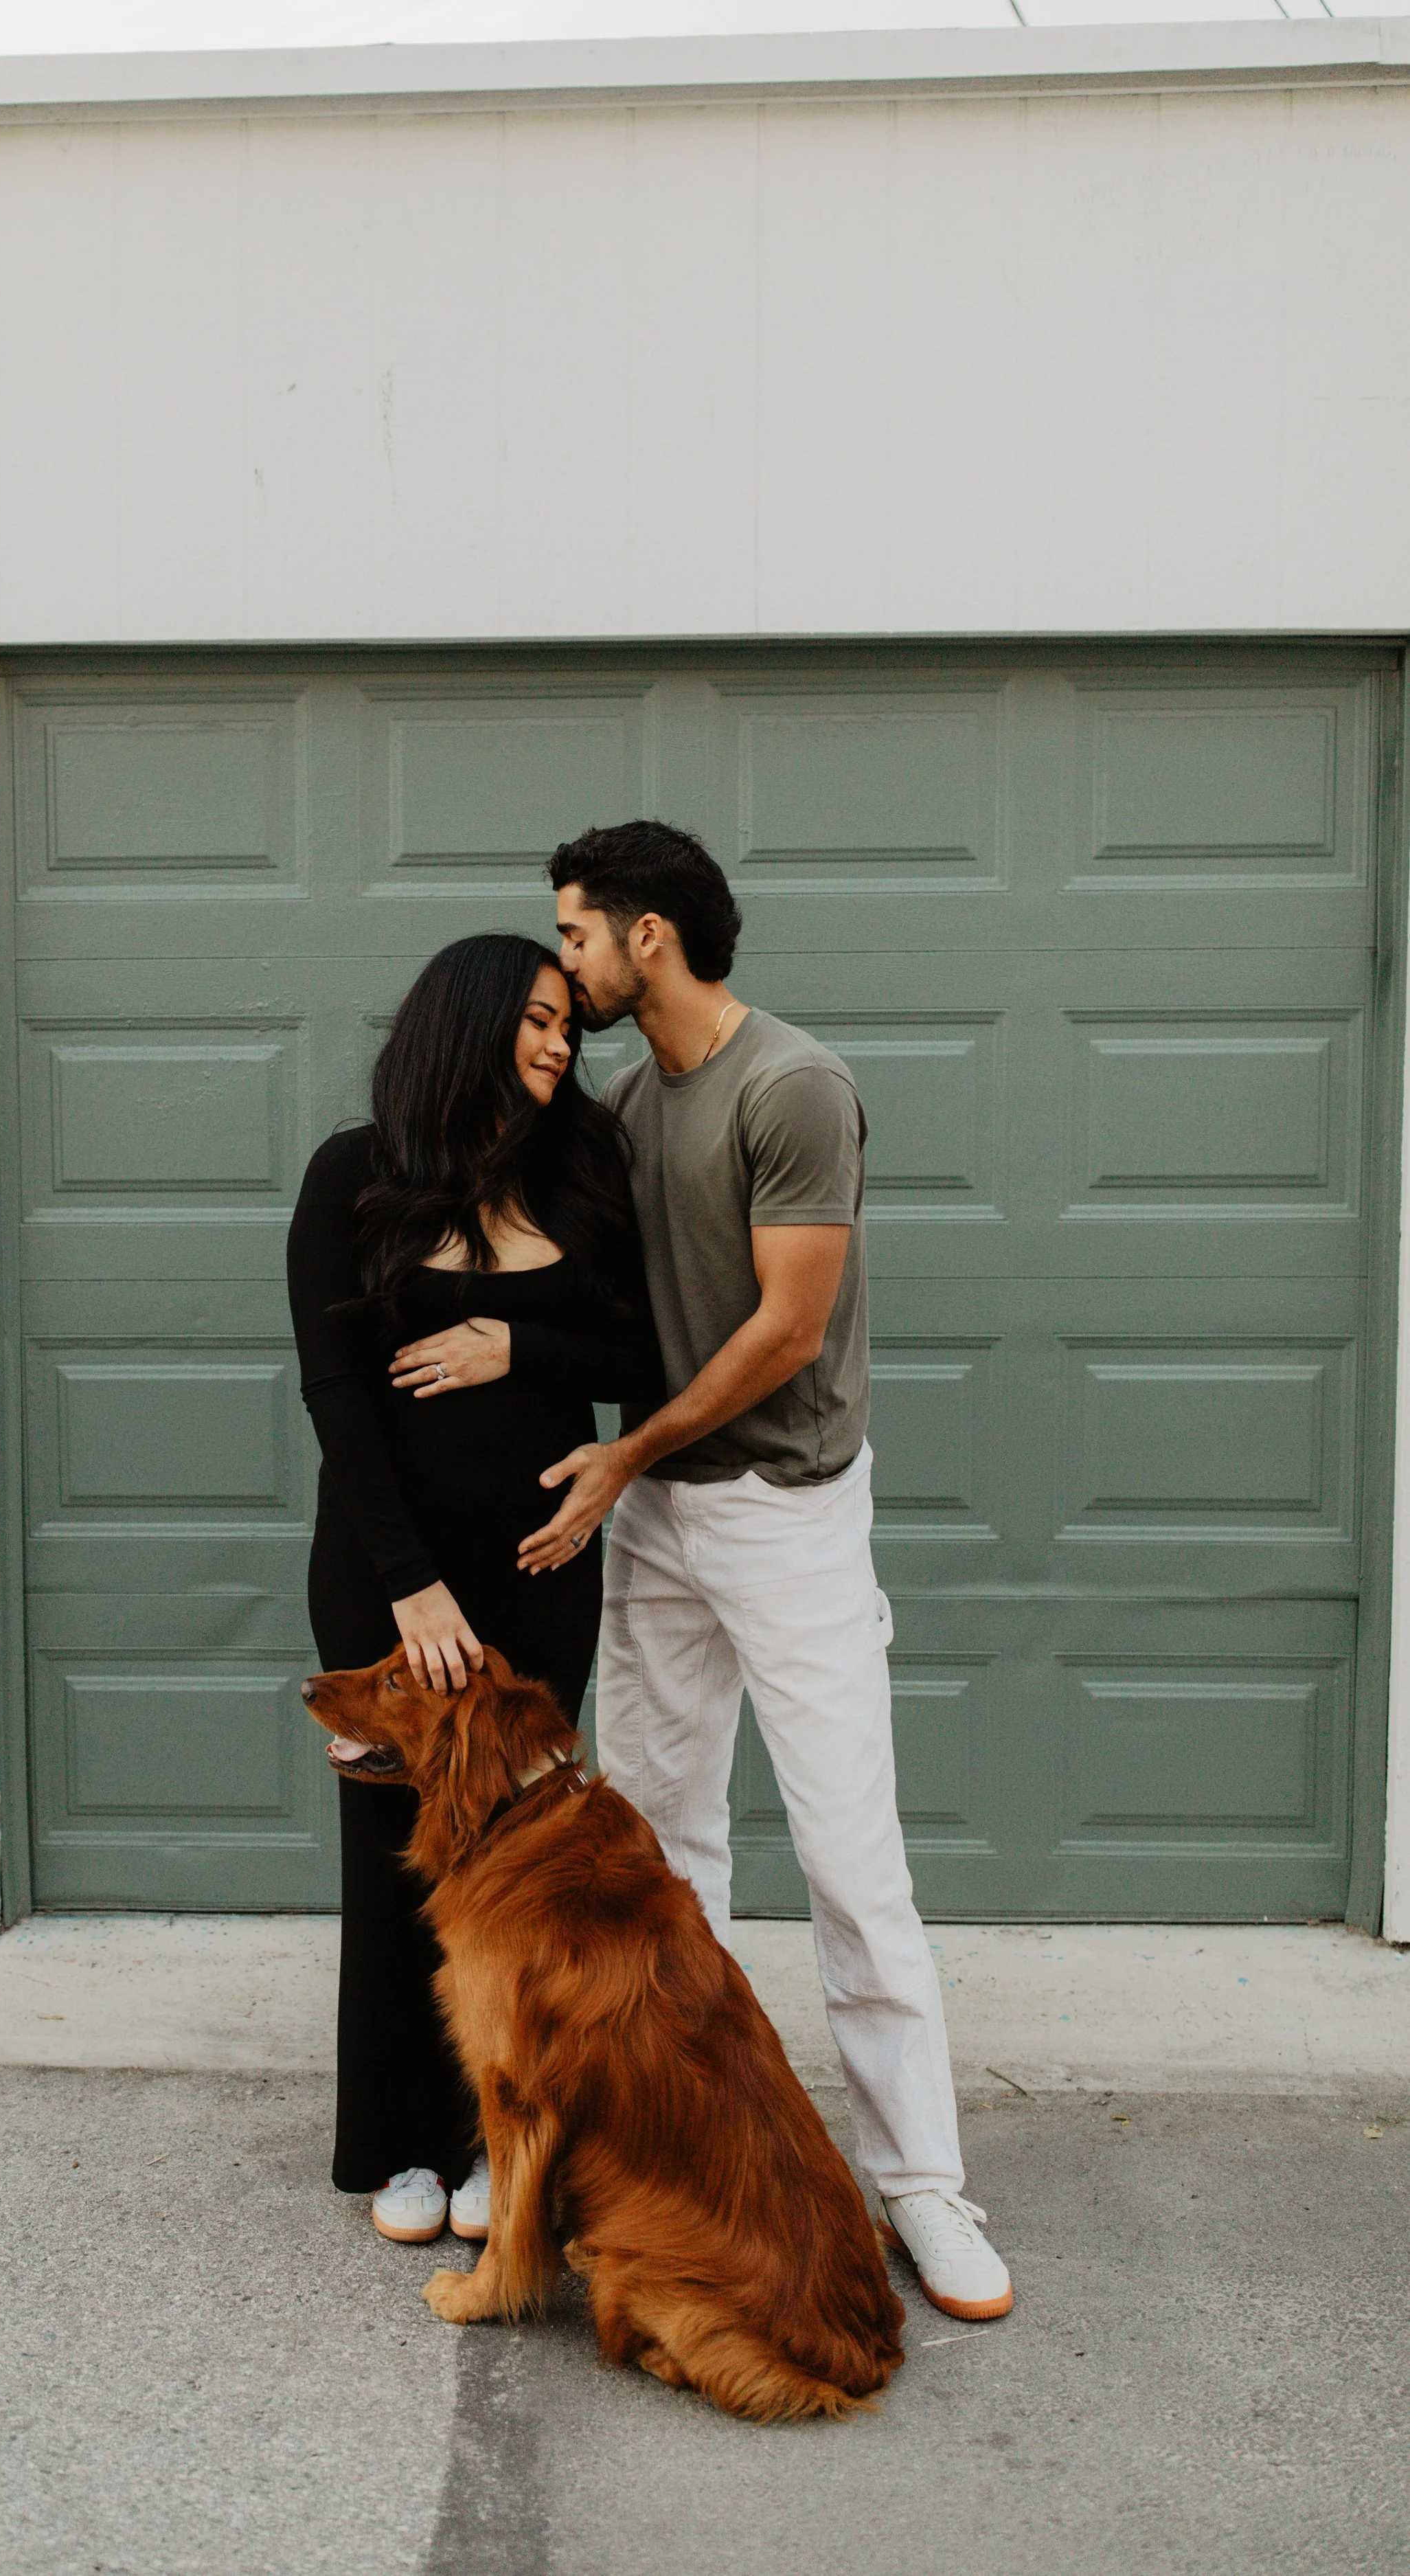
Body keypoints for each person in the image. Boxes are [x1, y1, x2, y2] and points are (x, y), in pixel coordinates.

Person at [519, 820, 1014, 2325]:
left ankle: (922, 2190)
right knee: (661, 1863)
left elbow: (788, 1330)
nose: (566, 962)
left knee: (852, 1868)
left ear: (646, 934)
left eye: (574, 937)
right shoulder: (618, 1103)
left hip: (786, 1513)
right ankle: (680, 2159)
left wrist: (621, 1454)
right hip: (660, 1512)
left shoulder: (789, 1086)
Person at [286, 932, 661, 2249]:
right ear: (471, 1021)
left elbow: (643, 1345)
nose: (565, 1044)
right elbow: (338, 1396)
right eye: (542, 1020)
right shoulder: (355, 1177)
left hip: (543, 1575)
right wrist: (413, 1593)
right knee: (401, 1859)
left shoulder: (585, 1168)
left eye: (572, 1024)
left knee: (522, 1873)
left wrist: (519, 1346)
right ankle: (400, 2142)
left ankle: (505, 2140)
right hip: (394, 1589)